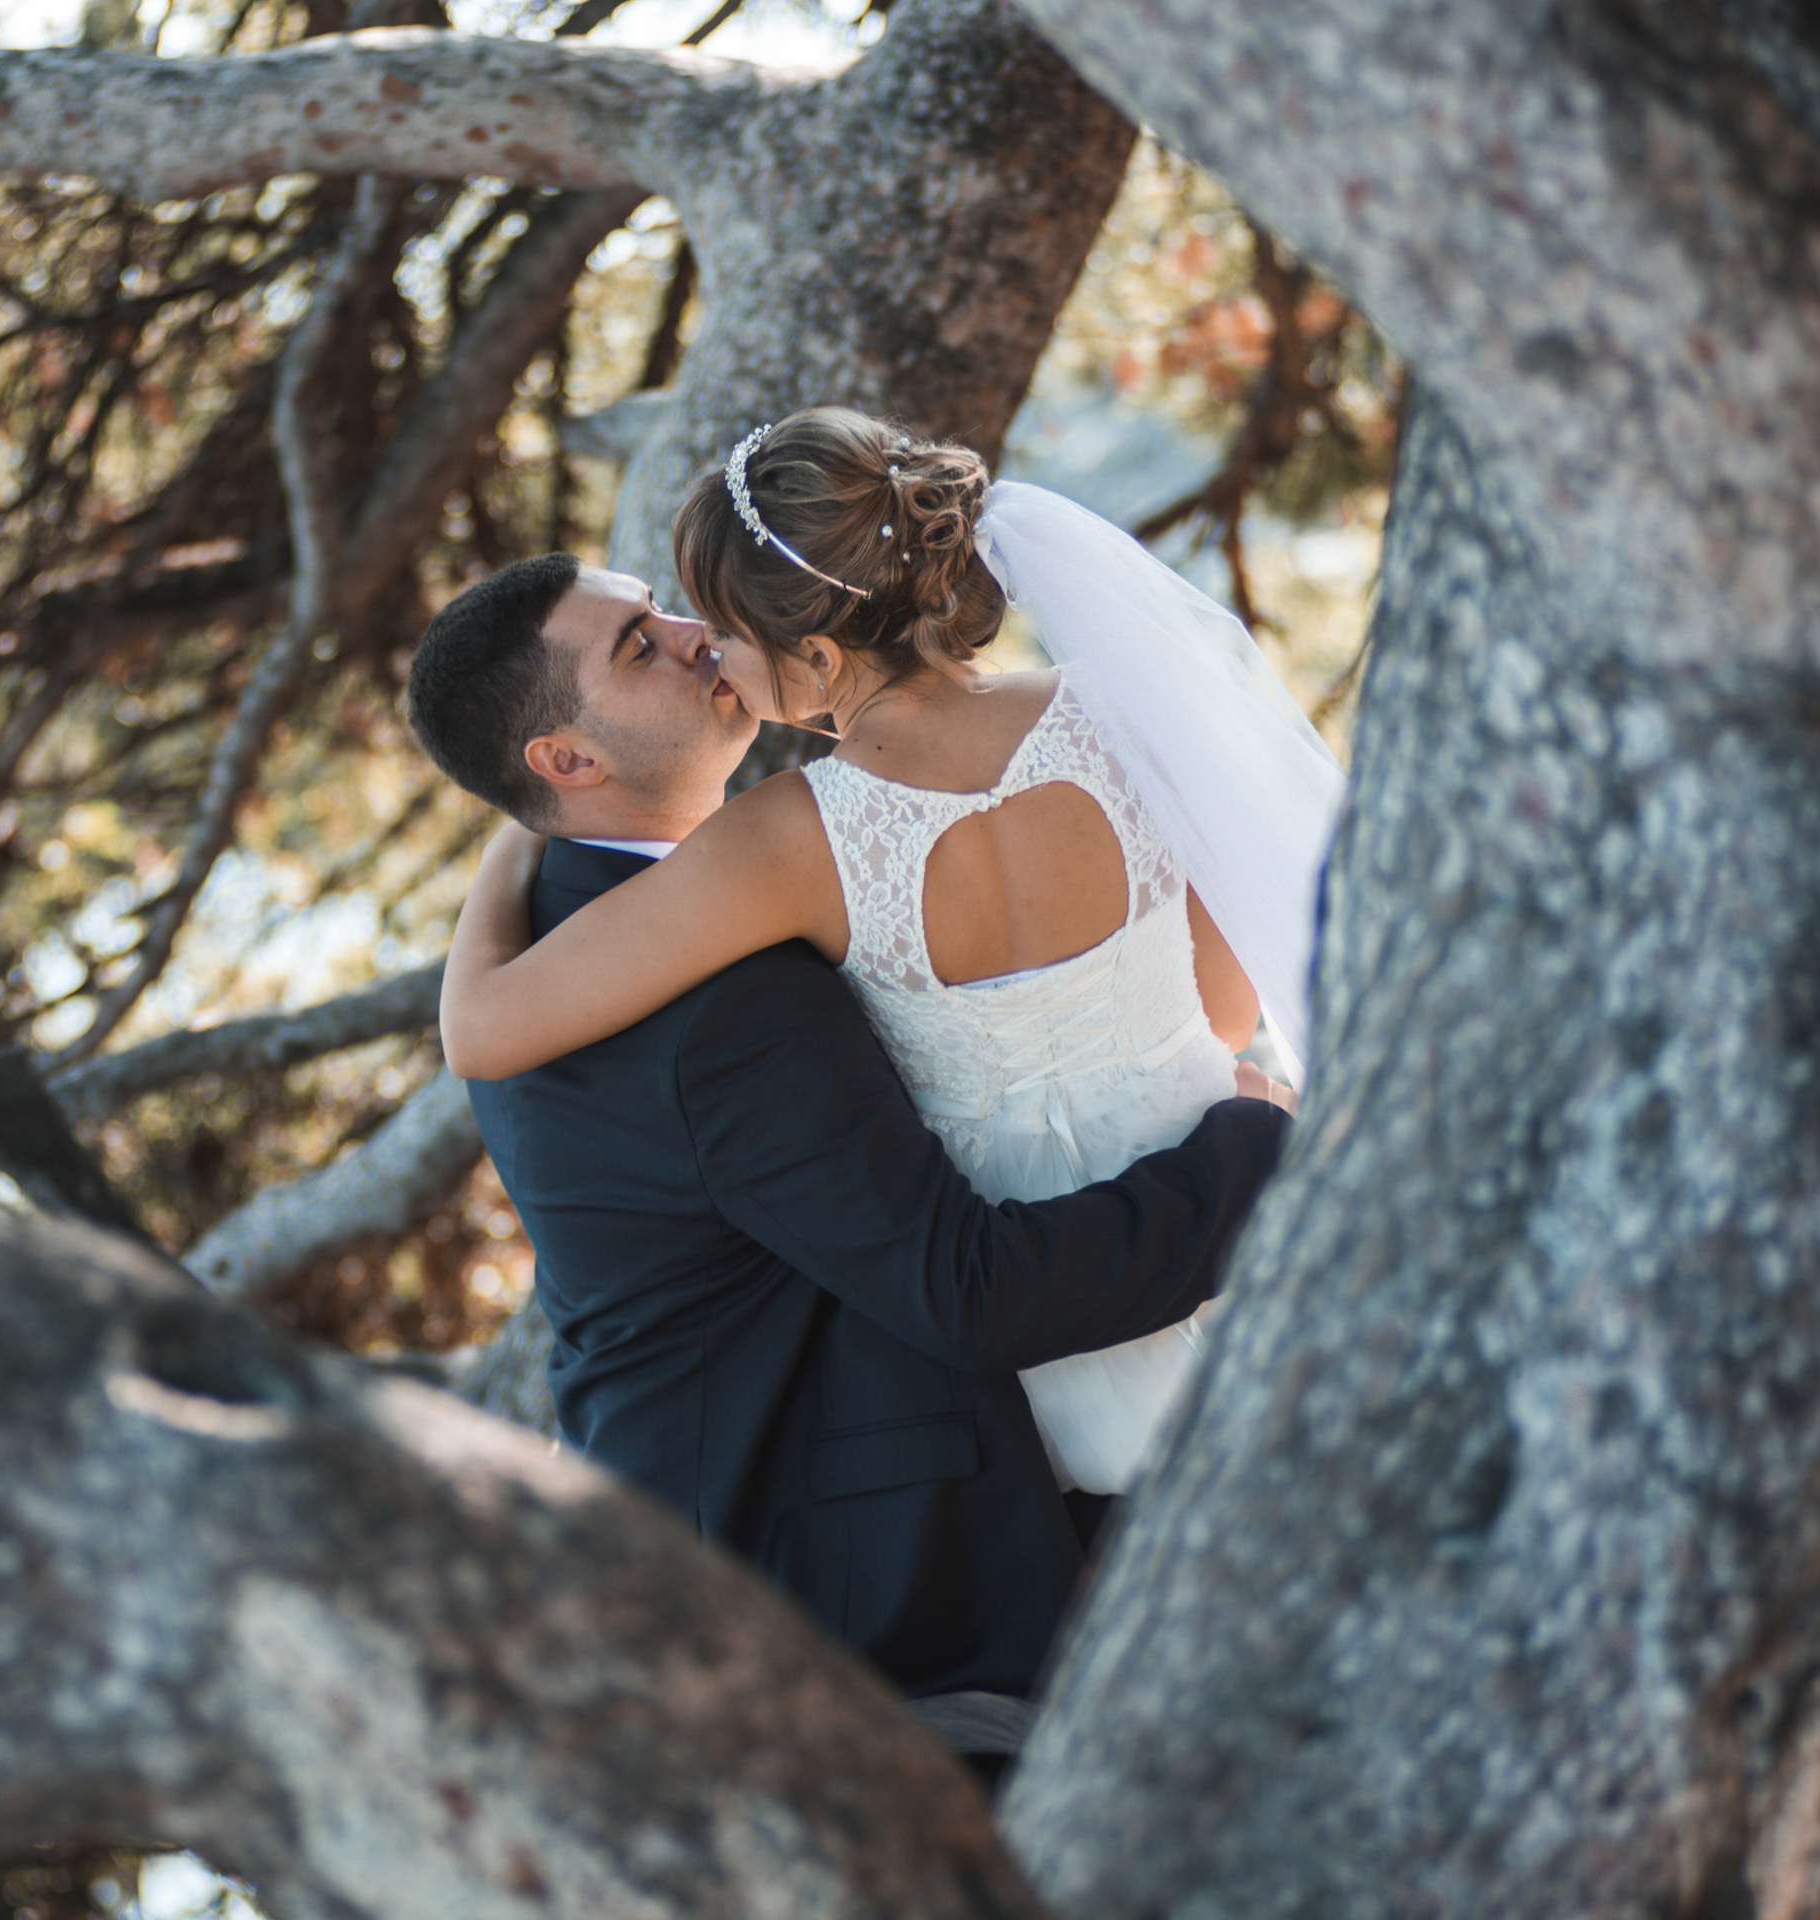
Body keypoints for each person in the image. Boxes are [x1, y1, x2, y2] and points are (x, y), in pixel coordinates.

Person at [406, 547, 1291, 1733]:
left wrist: (509, 841)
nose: (693, 633)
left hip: (692, 1529)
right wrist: (1256, 1152)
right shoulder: (718, 1003)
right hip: (829, 1601)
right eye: (639, 646)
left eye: (660, 606)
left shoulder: (561, 927)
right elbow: (968, 1291)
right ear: (568, 762)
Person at [438, 408, 1344, 1495]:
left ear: (817, 657)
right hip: (1252, 1240)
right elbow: (1221, 1009)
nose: (707, 649)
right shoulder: (1119, 715)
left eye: (721, 627)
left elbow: (482, 1030)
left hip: (1053, 1353)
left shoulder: (785, 842)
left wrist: (514, 843)